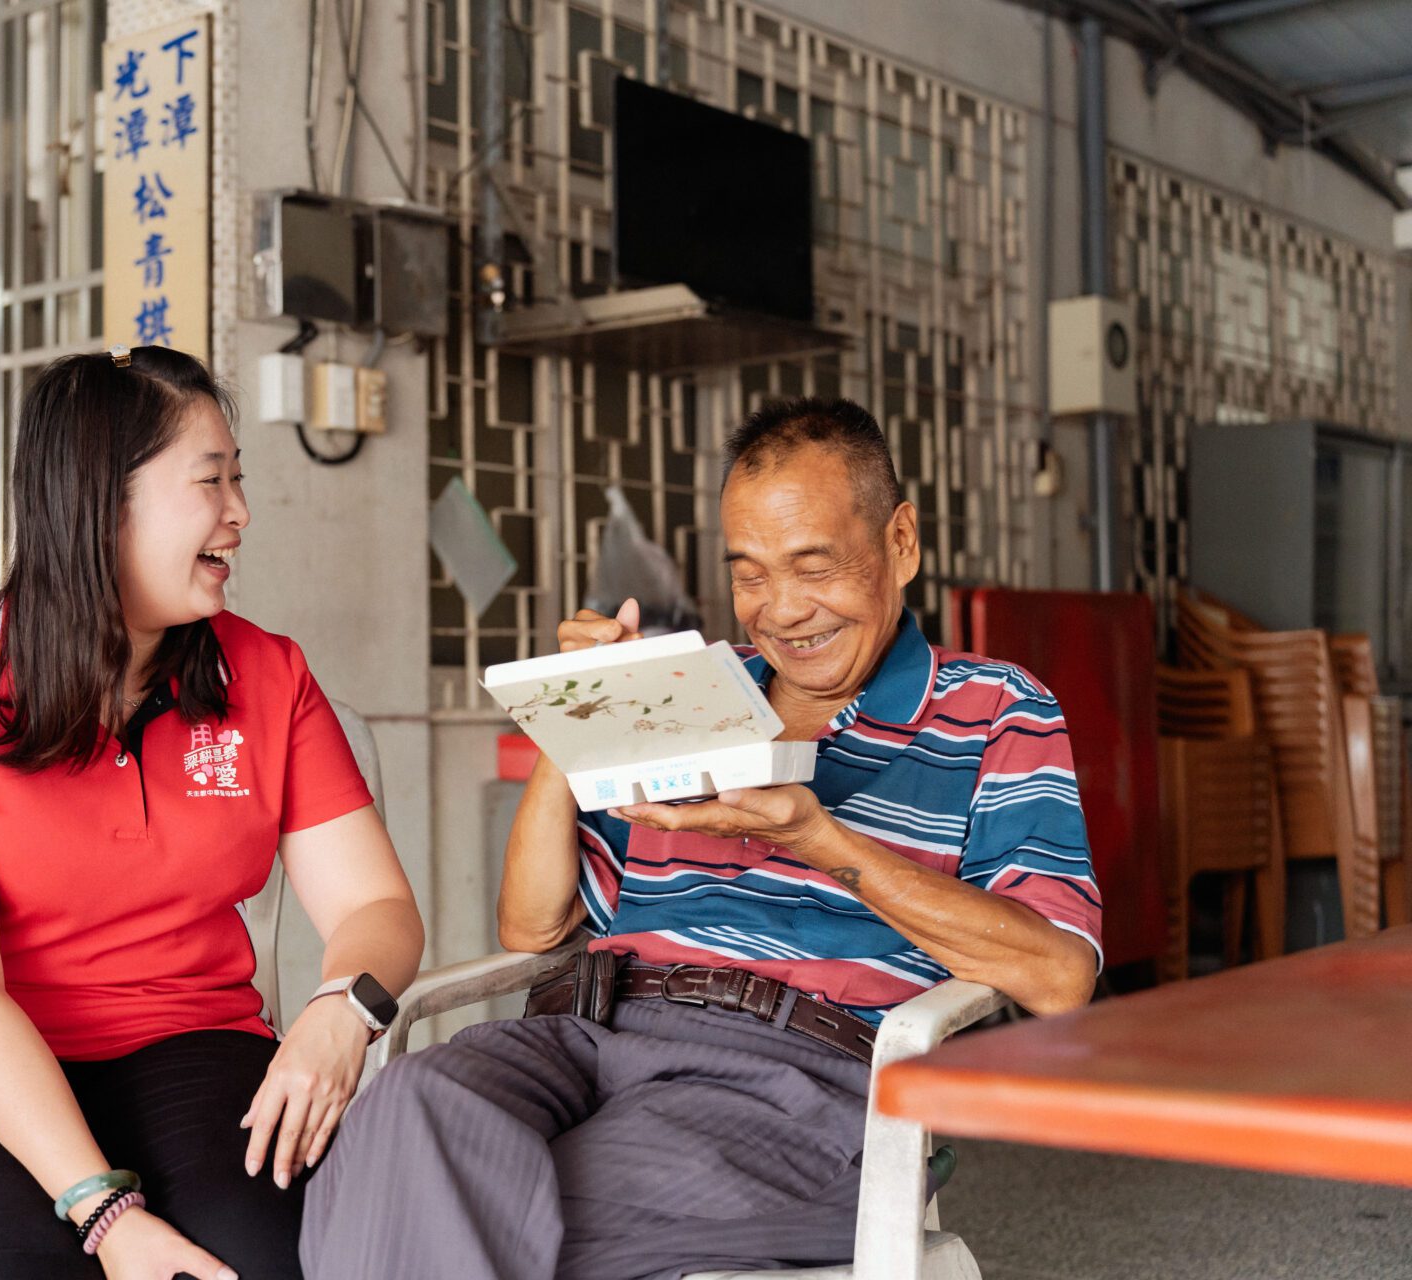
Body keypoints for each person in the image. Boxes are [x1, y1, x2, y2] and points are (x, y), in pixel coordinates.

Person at [302, 397, 1101, 1280]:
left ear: (900, 544)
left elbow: (1060, 976)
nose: (784, 610)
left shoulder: (993, 708)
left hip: (798, 1079)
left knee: (475, 1209)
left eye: (814, 566)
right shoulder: (694, 696)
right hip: (592, 1030)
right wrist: (583, 711)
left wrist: (821, 839)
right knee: (402, 1114)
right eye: (751, 575)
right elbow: (531, 931)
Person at [0, 345, 423, 1280]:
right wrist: (105, 1214)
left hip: (186, 1038)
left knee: (264, 1263)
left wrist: (341, 1011)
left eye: (240, 479)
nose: (241, 514)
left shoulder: (267, 675)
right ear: (102, 500)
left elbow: (374, 911)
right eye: (211, 481)